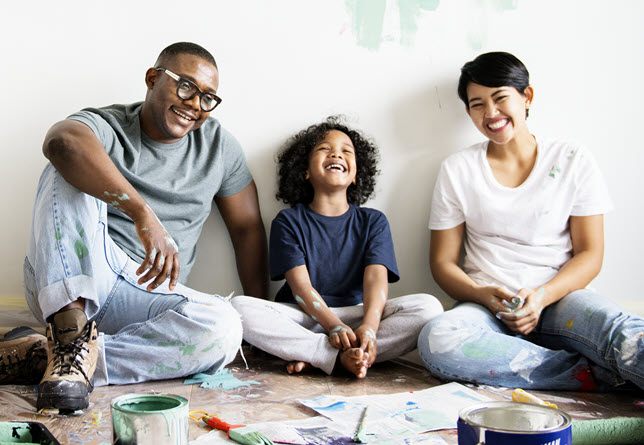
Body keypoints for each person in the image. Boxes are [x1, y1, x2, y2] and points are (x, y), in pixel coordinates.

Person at [5, 42, 268, 411]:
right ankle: (68, 331)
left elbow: (247, 228)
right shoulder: (110, 124)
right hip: (76, 275)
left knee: (225, 328)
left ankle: (58, 358)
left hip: (148, 295)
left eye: (208, 97)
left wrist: (261, 315)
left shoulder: (219, 147)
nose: (195, 104)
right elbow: (61, 141)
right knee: (63, 165)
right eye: (186, 86)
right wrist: (143, 214)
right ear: (153, 78)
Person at [418, 51, 644, 390]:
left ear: (527, 97)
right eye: (477, 104)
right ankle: (597, 374)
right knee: (438, 339)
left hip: (560, 299)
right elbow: (443, 263)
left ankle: (595, 361)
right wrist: (482, 294)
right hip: (488, 310)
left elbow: (590, 254)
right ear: (468, 112)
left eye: (500, 97)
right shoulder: (458, 169)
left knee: (624, 333)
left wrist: (541, 297)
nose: (491, 113)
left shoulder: (572, 158)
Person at [232, 117, 443, 378]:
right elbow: (300, 288)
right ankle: (332, 355)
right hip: (304, 318)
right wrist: (332, 326)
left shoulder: (373, 221)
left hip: (356, 316)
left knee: (428, 307)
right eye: (324, 148)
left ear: (356, 175)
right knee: (239, 309)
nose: (336, 153)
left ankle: (330, 356)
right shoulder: (288, 221)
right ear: (305, 171)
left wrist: (369, 327)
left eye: (347, 150)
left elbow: (377, 279)